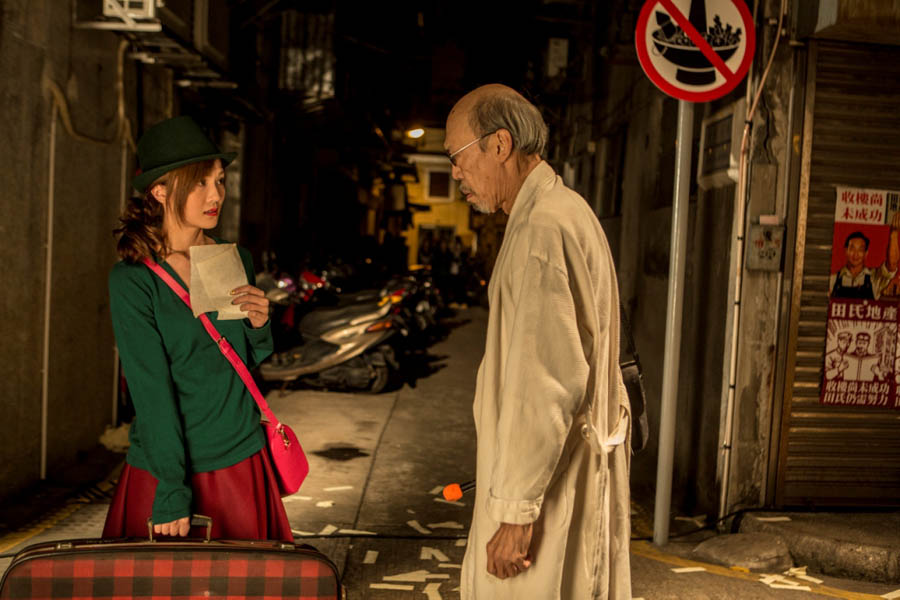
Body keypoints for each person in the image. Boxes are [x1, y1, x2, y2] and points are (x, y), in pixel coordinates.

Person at [445, 84, 631, 599]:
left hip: (549, 491)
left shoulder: (541, 230)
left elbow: (544, 383)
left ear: (499, 144)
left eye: (458, 157)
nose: (455, 173)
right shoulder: (558, 210)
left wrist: (515, 515)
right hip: (559, 475)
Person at [102, 115, 292, 541]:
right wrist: (172, 487)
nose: (216, 195)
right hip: (169, 467)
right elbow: (151, 392)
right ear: (160, 190)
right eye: (200, 183)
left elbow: (240, 364)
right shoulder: (134, 279)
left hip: (241, 455)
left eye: (220, 180)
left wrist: (259, 326)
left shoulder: (231, 258)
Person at [829, 230, 896, 300]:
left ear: (866, 253)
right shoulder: (833, 279)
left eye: (860, 250)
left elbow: (892, 264)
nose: (856, 254)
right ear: (846, 251)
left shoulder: (874, 278)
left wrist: (894, 234)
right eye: (852, 249)